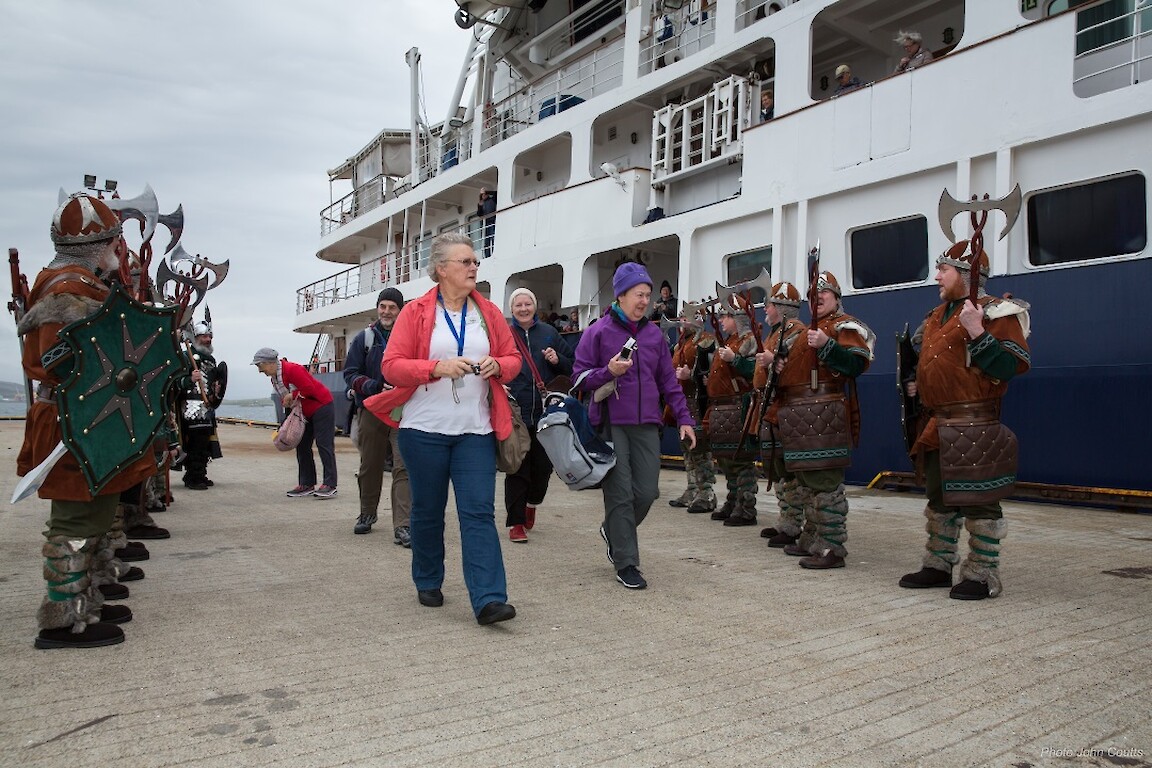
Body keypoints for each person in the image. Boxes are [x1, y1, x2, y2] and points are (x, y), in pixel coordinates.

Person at [17, 192, 158, 648]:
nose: (121, 251)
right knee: (76, 517)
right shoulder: (67, 289)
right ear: (104, 243)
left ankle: (86, 602)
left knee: (96, 511)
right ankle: (62, 619)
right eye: (117, 241)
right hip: (71, 421)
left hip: (93, 419)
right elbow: (59, 362)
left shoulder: (83, 282)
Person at [366, 232, 522, 626]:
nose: (474, 267)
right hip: (423, 430)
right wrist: (434, 368)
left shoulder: (487, 312)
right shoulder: (415, 312)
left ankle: (488, 599)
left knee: (478, 514)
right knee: (428, 510)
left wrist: (498, 366)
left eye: (475, 262)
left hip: (476, 430)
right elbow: (391, 366)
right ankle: (428, 578)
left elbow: (514, 358)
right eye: (465, 261)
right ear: (441, 270)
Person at [898, 242, 1030, 600]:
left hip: (976, 422)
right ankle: (938, 566)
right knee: (939, 497)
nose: (937, 276)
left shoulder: (996, 312)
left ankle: (983, 574)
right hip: (937, 422)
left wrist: (978, 332)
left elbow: (1009, 367)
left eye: (944, 269)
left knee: (980, 500)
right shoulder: (935, 316)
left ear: (968, 275)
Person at [572, 262, 696, 590]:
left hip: (646, 425)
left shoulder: (654, 334)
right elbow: (578, 378)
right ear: (621, 295)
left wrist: (684, 419)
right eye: (638, 294)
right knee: (620, 494)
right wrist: (608, 372)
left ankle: (614, 530)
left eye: (647, 295)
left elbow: (668, 382)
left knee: (647, 492)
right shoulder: (597, 331)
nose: (644, 301)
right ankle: (626, 561)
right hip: (611, 424)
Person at [768, 271, 873, 570]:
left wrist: (828, 345)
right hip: (801, 416)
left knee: (825, 483)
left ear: (837, 298)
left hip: (826, 414)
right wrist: (780, 367)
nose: (818, 299)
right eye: (813, 295)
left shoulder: (844, 325)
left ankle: (832, 546)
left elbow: (856, 364)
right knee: (807, 481)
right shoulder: (803, 334)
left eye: (824, 294)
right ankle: (812, 537)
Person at [505, 287, 575, 543]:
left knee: (542, 468)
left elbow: (572, 365)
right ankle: (516, 523)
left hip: (546, 414)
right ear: (511, 309)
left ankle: (532, 503)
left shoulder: (549, 333)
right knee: (517, 468)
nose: (523, 309)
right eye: (518, 305)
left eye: (527, 304)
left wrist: (557, 360)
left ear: (535, 307)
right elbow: (494, 363)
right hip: (516, 412)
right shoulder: (504, 335)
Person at [344, 288, 411, 545]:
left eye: (392, 307)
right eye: (383, 306)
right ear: (377, 308)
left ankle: (403, 526)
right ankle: (367, 513)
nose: (386, 311)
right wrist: (372, 386)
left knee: (402, 465)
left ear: (400, 310)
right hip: (372, 409)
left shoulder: (409, 339)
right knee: (369, 465)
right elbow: (350, 373)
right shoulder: (365, 339)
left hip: (402, 410)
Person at [751, 282, 809, 547]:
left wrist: (773, 361)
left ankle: (793, 525)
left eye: (771, 304)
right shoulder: (776, 334)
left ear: (782, 309)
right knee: (777, 468)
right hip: (771, 408)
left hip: (784, 409)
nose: (766, 308)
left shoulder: (795, 334)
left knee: (788, 470)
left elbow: (795, 372)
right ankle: (787, 520)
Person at [252, 348, 338, 499]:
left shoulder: (293, 369)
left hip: (321, 406)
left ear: (269, 363)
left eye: (260, 366)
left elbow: (309, 389)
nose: (260, 371)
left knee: (324, 444)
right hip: (303, 411)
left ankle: (330, 484)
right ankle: (307, 484)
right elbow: (287, 397)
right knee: (302, 446)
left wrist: (293, 395)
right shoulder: (275, 378)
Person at [705, 303, 760, 527]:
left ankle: (746, 507)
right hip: (723, 408)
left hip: (738, 406)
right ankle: (733, 499)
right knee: (727, 460)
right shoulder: (729, 342)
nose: (721, 321)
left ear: (736, 318)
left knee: (741, 461)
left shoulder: (749, 341)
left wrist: (734, 359)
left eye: (726, 317)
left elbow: (754, 371)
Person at [668, 310, 718, 514]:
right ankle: (692, 488)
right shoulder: (680, 344)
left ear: (697, 320)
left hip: (699, 402)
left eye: (685, 318)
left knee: (700, 449)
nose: (681, 322)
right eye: (680, 319)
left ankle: (706, 493)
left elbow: (712, 372)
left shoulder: (707, 342)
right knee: (687, 449)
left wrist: (692, 375)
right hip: (683, 402)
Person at [177, 321, 220, 490]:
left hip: (207, 405)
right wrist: (190, 379)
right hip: (191, 405)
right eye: (204, 336)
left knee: (205, 442)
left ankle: (199, 473)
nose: (208, 339)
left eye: (209, 336)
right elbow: (176, 381)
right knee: (195, 442)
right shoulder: (186, 356)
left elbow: (215, 380)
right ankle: (193, 477)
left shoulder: (211, 358)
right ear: (195, 338)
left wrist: (217, 388)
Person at [476, 187, 497, 259]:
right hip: (485, 224)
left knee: (493, 238)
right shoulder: (481, 203)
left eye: (485, 194)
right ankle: (487, 256)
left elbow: (496, 193)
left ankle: (494, 253)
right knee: (486, 241)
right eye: (482, 195)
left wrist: (487, 191)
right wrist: (480, 206)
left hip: (493, 221)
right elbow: (479, 214)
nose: (484, 195)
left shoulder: (493, 199)